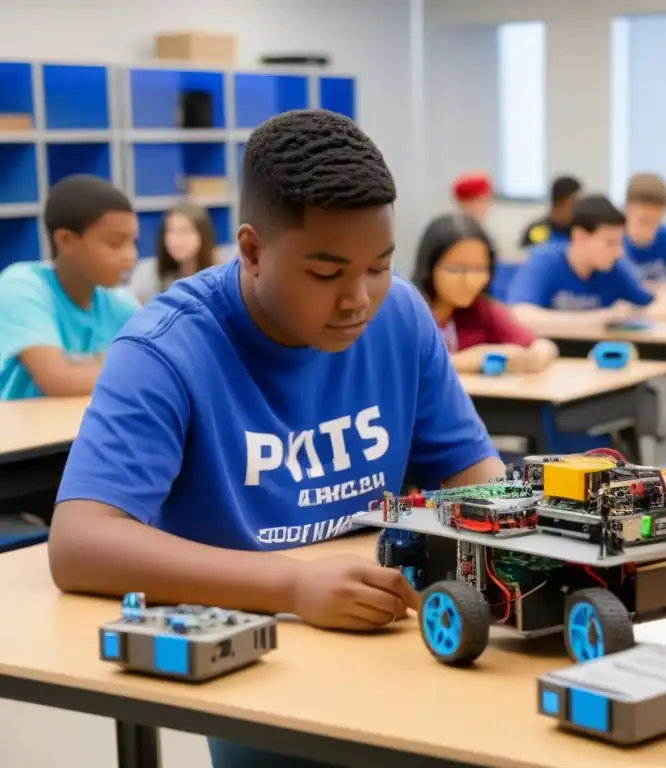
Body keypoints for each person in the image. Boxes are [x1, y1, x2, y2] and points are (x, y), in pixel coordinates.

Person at [48, 109, 505, 768]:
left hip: (404, 643)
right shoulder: (166, 348)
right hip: (268, 671)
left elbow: (476, 480)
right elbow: (80, 543)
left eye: (378, 266)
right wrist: (292, 588)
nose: (359, 299)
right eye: (327, 274)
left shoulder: (400, 315)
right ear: (253, 250)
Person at [0, 174, 139, 400]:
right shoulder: (21, 286)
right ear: (65, 240)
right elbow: (57, 381)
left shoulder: (120, 301)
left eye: (133, 242)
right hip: (23, 433)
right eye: (115, 243)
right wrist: (120, 365)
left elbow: (159, 364)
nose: (130, 256)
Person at [414, 212, 558, 374]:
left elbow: (543, 346)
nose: (470, 281)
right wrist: (475, 358)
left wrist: (531, 357)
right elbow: (407, 366)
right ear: (429, 268)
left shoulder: (482, 309)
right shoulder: (407, 313)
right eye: (457, 270)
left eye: (480, 269)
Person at [506, 194, 666, 326]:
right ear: (580, 236)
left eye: (620, 243)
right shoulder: (544, 260)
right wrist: (598, 318)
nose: (619, 252)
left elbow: (661, 303)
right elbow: (520, 315)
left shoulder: (614, 267)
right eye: (610, 242)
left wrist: (632, 315)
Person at [128, 202, 217, 303]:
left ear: (202, 236)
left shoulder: (219, 278)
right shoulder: (148, 272)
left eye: (185, 231)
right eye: (170, 231)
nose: (176, 239)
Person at [518, 175, 582, 250]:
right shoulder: (539, 229)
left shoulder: (578, 229)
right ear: (562, 201)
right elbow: (528, 255)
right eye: (575, 200)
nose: (580, 204)